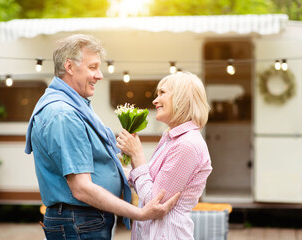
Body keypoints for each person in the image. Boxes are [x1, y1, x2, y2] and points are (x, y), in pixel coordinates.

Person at [24, 34, 180, 240]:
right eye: (93, 67)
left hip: (82, 220)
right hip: (79, 221)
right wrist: (140, 214)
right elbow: (81, 188)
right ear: (69, 67)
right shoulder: (64, 115)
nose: (99, 75)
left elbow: (95, 169)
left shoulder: (73, 106)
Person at [117, 72, 213, 240]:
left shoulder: (187, 145)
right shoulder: (172, 139)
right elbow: (149, 181)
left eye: (162, 93)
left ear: (181, 98)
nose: (155, 101)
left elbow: (154, 201)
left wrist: (137, 155)